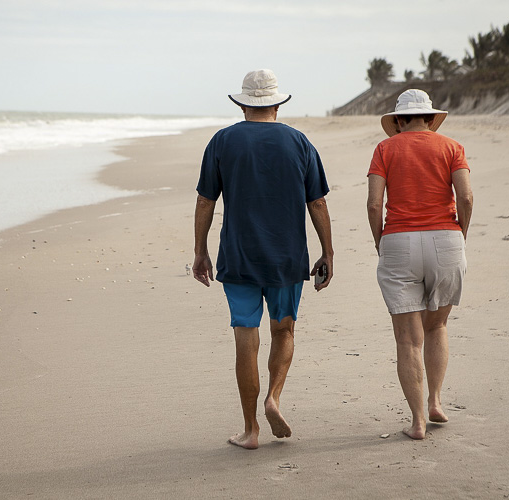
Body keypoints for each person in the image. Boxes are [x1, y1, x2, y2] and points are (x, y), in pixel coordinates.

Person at [193, 69, 334, 450]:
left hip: (238, 256)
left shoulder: (222, 141)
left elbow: (206, 200)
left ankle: (251, 429)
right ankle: (274, 396)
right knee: (283, 331)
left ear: (242, 104)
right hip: (287, 257)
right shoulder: (299, 142)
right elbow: (317, 201)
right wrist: (328, 252)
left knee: (245, 335)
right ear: (277, 103)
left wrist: (200, 250)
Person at [366, 89, 474, 440]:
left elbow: (373, 204)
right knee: (437, 326)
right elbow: (466, 196)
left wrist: (381, 241)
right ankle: (436, 401)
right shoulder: (451, 147)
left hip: (399, 240)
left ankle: (416, 422)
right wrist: (461, 233)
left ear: (398, 121)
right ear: (430, 118)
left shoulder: (385, 149)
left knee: (407, 340)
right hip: (446, 239)